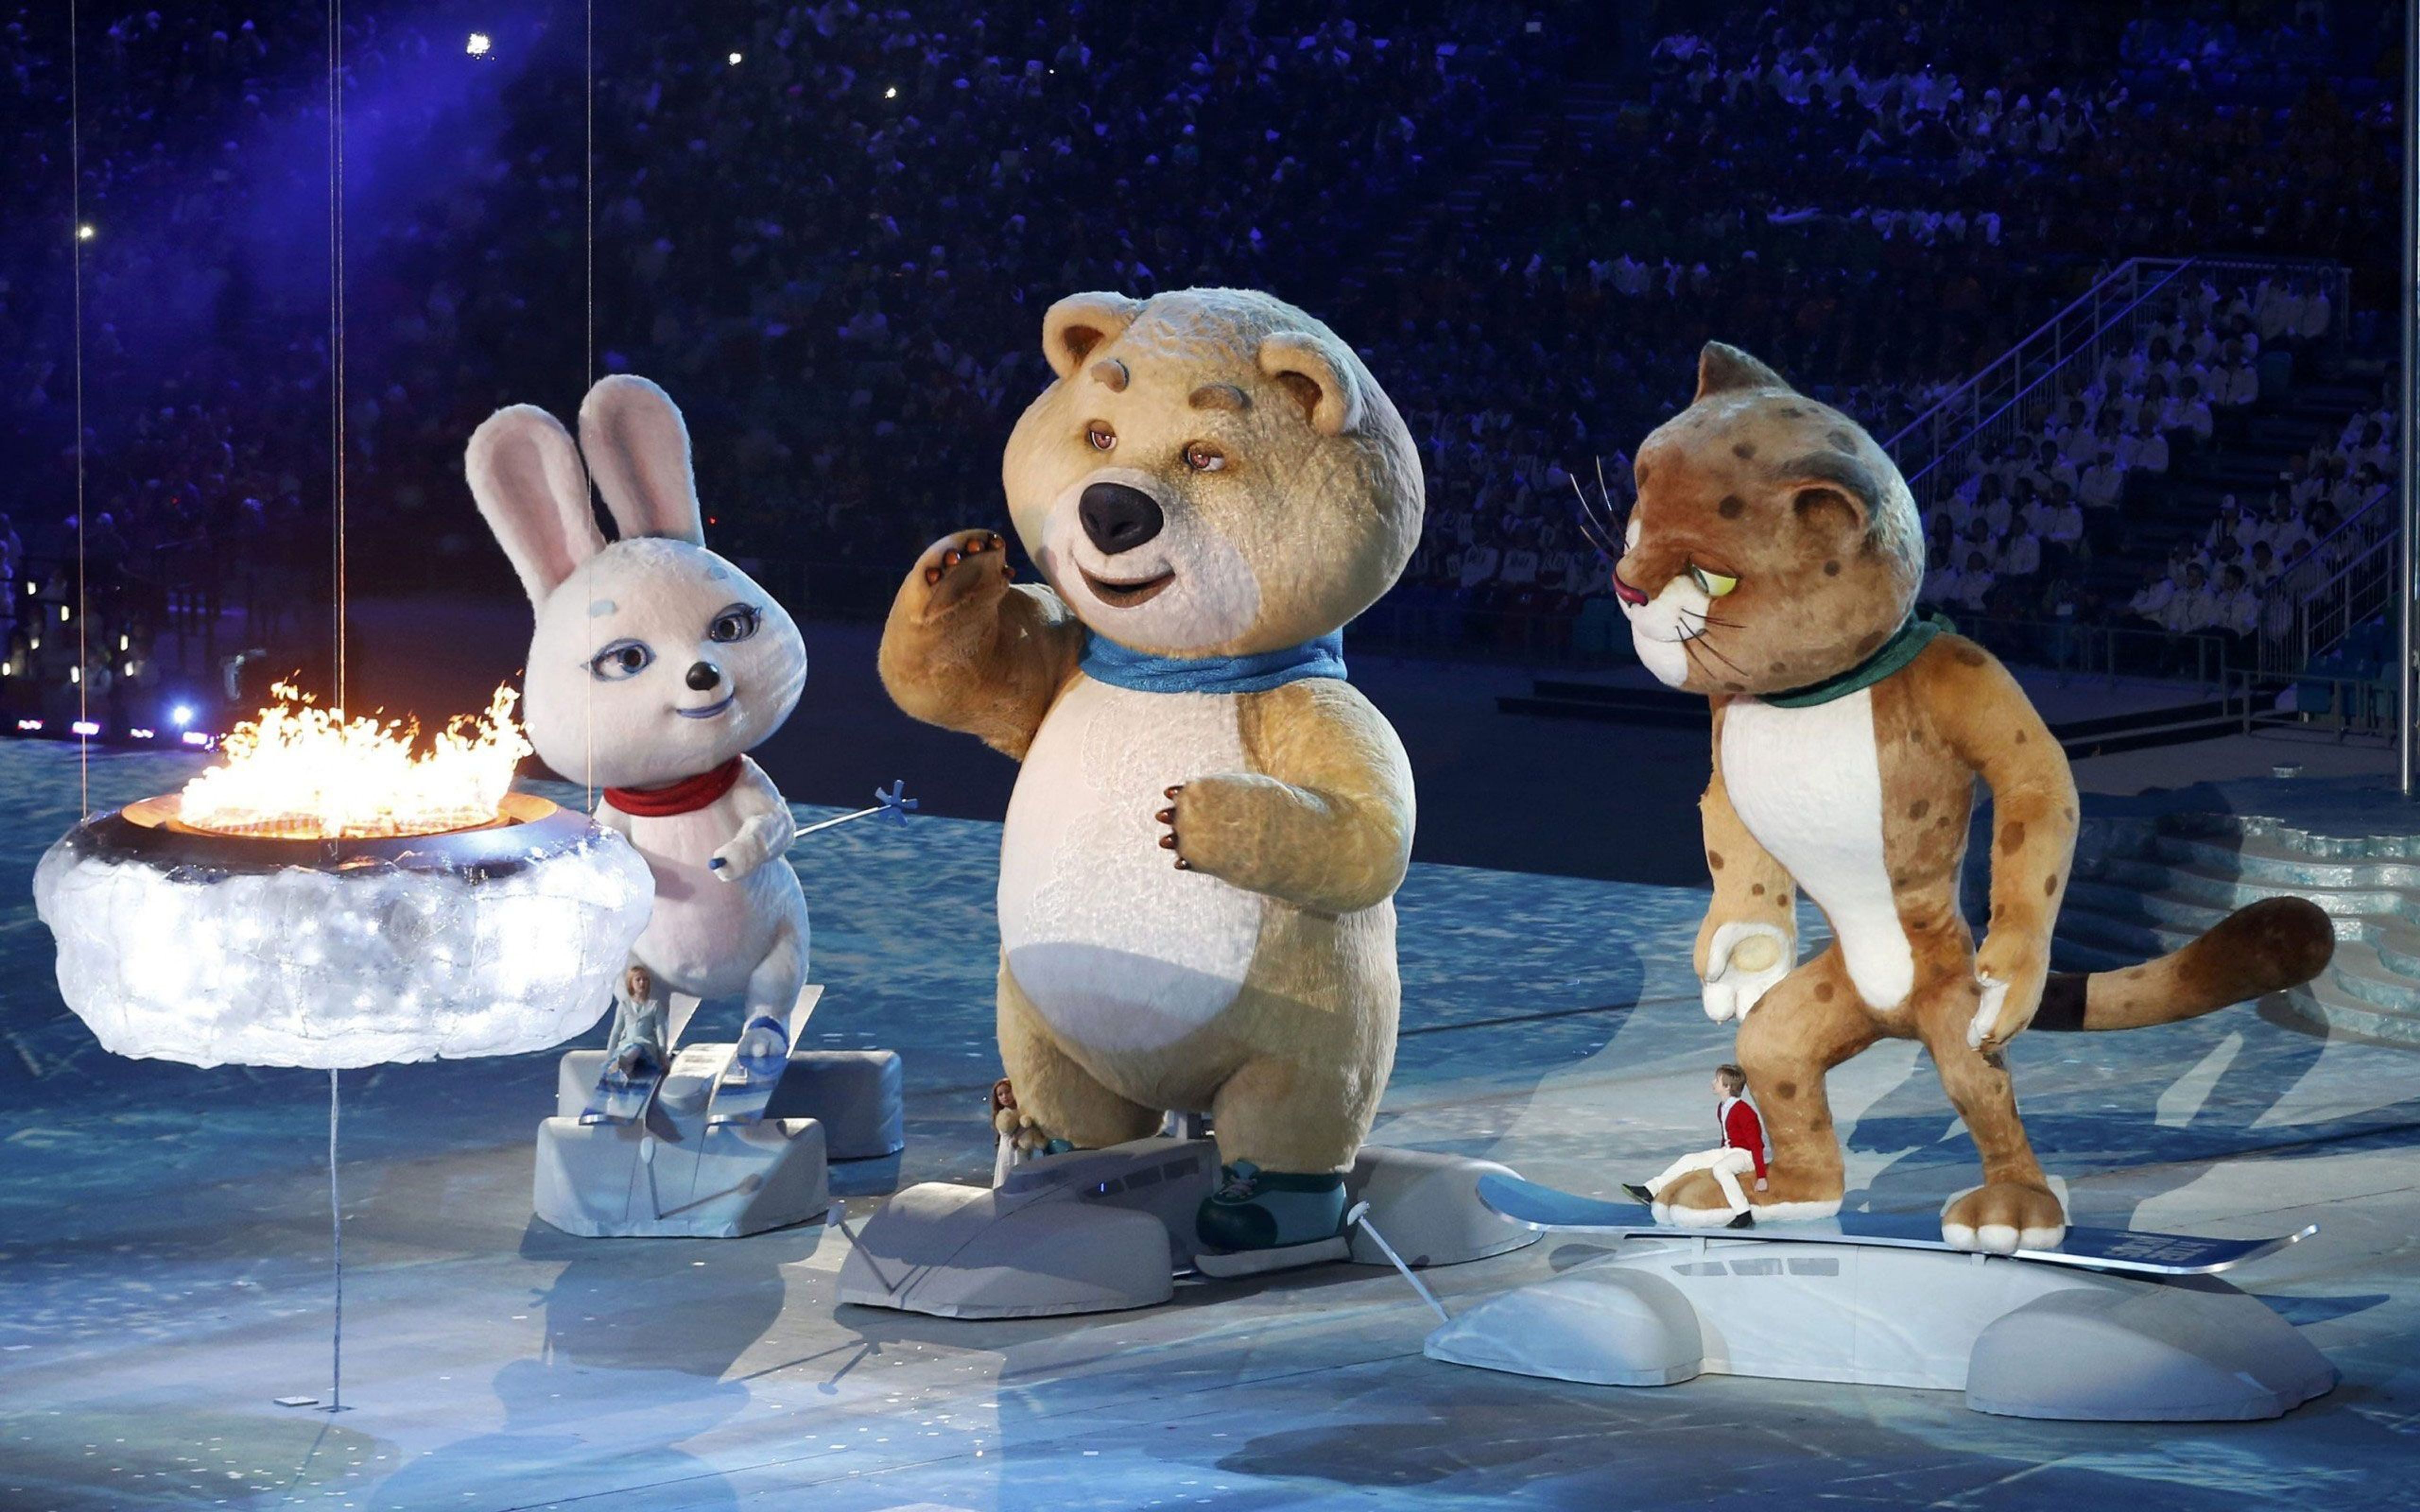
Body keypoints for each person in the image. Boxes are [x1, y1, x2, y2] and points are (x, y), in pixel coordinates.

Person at [1626, 1064, 1769, 1229]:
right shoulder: (1723, 1107)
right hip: (1728, 1152)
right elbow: (1727, 1137)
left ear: (1727, 1087)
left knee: (1721, 1169)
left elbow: (1756, 1144)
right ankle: (1651, 1190)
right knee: (1690, 1160)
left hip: (1746, 1155)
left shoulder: (1744, 1111)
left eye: (1717, 1080)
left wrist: (1761, 1176)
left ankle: (1743, 1213)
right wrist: (1720, 1153)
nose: (1713, 1083)